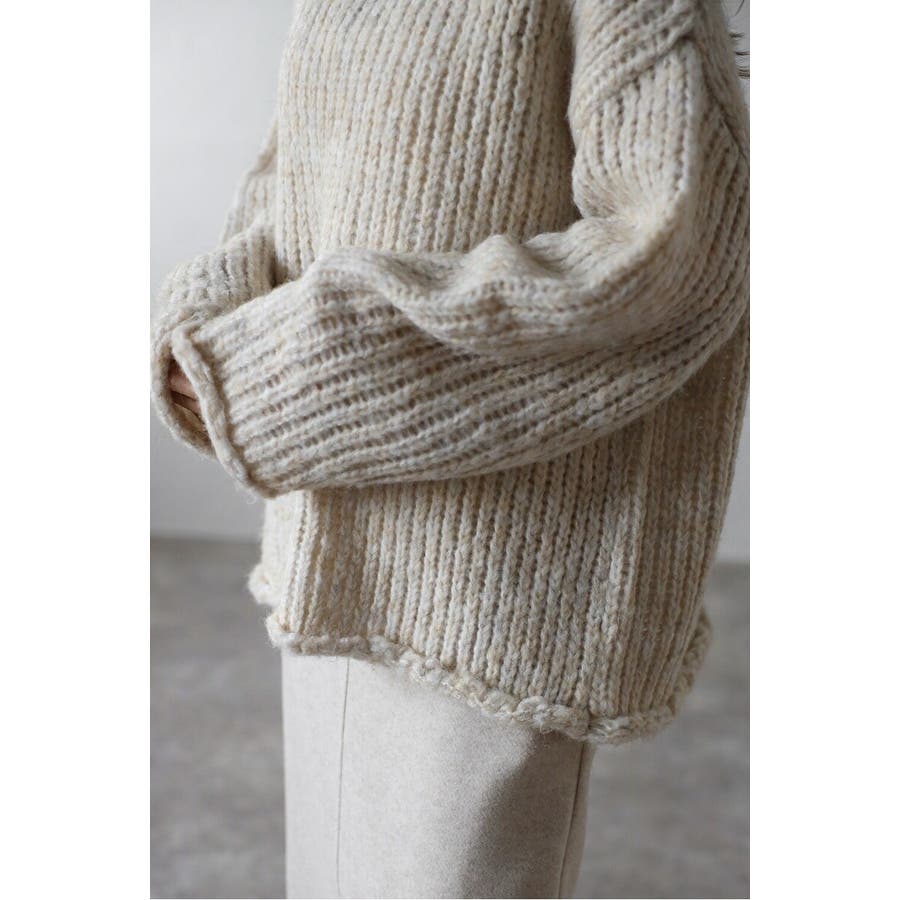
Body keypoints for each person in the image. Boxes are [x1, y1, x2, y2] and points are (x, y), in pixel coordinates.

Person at [152, 1, 749, 896]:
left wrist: (301, 365)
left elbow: (672, 256)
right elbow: (292, 175)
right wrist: (201, 319)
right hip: (330, 551)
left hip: (491, 589)